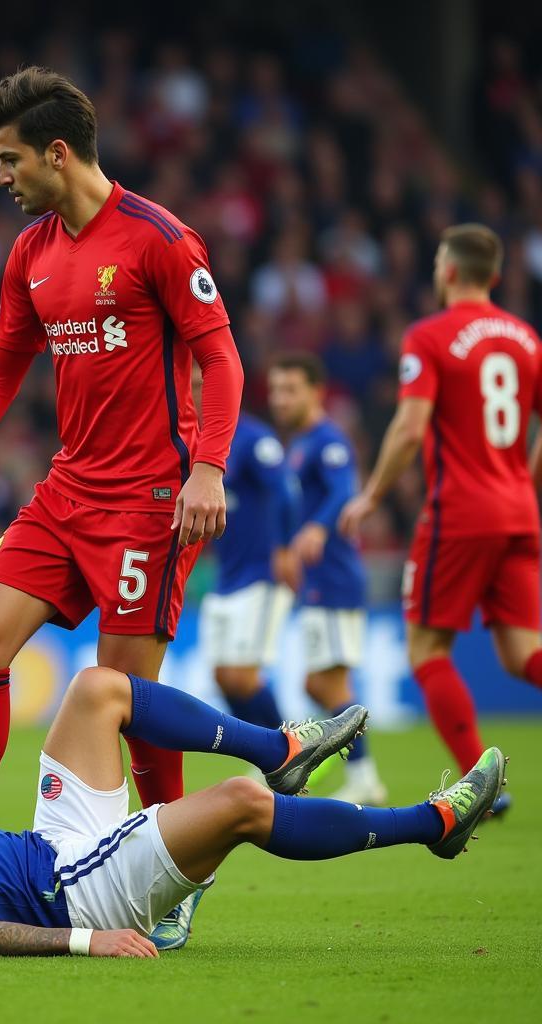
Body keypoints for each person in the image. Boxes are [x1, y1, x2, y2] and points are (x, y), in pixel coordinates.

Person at [0, 68, 244, 948]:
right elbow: (1, 369)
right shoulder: (32, 254)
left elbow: (222, 360)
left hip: (151, 499)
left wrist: (208, 470)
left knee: (128, 697)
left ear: (57, 153)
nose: (0, 177)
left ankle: (172, 872)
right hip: (68, 491)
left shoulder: (161, 239)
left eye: (10, 160)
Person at [0, 668, 505, 958]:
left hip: (52, 845)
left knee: (96, 689)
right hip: (76, 889)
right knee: (240, 810)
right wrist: (88, 940)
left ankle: (279, 746)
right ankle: (434, 824)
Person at [340, 224, 542, 810]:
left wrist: (372, 496)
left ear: (449, 271)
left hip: (459, 512)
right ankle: (486, 783)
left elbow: (408, 427)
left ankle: (484, 787)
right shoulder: (527, 339)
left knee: (428, 650)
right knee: (522, 653)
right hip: (519, 512)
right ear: (495, 276)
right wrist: (524, 484)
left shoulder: (430, 336)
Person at [267, 354, 387, 804]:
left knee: (330, 686)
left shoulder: (327, 440)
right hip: (317, 580)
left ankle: (364, 774)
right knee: (319, 685)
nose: (280, 399)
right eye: (276, 390)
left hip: (335, 579)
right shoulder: (299, 444)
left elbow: (342, 488)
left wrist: (318, 526)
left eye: (291, 389)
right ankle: (336, 766)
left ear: (317, 391)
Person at [203, 411, 299, 728]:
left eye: (200, 385)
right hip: (226, 574)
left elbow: (286, 489)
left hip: (259, 572)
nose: (195, 394)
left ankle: (293, 751)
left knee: (242, 677)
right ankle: (266, 755)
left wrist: (285, 547)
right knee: (222, 677)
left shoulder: (253, 438)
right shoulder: (196, 436)